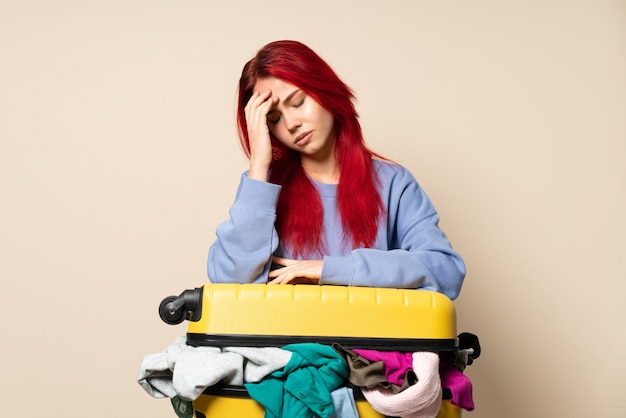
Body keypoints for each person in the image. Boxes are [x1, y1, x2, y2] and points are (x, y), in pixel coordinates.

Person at [207, 40, 465, 300]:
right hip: (284, 338)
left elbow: (447, 272)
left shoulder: (393, 183)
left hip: (371, 336)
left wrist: (332, 270)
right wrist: (260, 164)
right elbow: (229, 283)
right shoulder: (261, 185)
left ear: (324, 91)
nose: (292, 124)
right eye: (274, 119)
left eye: (298, 103)